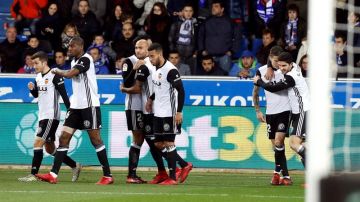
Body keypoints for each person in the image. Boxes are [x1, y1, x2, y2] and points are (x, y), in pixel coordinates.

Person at [35, 37, 113, 185]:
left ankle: (108, 175)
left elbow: (71, 74)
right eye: (69, 46)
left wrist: (57, 71)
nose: (69, 49)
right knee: (63, 137)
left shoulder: (86, 59)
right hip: (76, 106)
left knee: (95, 139)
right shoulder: (73, 61)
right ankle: (53, 175)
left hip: (89, 105)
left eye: (72, 46)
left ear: (81, 46)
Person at [18, 51, 81, 182]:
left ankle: (33, 174)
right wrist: (32, 89)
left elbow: (64, 94)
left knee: (37, 142)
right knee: (50, 148)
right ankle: (75, 165)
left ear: (44, 62)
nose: (34, 65)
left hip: (51, 116)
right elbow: (37, 95)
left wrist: (70, 111)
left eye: (36, 63)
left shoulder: (54, 75)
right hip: (42, 115)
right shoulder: (38, 77)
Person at [254, 51, 310, 170]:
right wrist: (270, 67)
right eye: (279, 66)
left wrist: (258, 81)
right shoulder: (296, 66)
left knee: (294, 144)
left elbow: (273, 88)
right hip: (298, 113)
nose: (281, 69)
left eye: (284, 66)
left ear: (290, 64)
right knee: (303, 145)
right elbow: (274, 57)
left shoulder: (291, 77)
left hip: (302, 112)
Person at [147, 43, 193, 185]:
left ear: (160, 54)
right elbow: (160, 87)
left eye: (152, 56)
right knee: (158, 144)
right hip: (158, 112)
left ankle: (172, 177)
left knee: (169, 142)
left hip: (170, 112)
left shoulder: (170, 70)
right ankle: (184, 165)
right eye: (149, 56)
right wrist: (150, 99)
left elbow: (181, 91)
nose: (150, 59)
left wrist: (179, 112)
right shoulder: (156, 69)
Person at [252, 46, 292, 185]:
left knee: (278, 141)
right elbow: (255, 92)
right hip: (270, 112)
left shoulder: (286, 70)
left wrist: (272, 67)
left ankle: (280, 174)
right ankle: (282, 175)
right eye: (274, 61)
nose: (277, 64)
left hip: (285, 110)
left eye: (279, 61)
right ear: (270, 58)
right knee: (276, 147)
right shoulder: (261, 71)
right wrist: (257, 110)